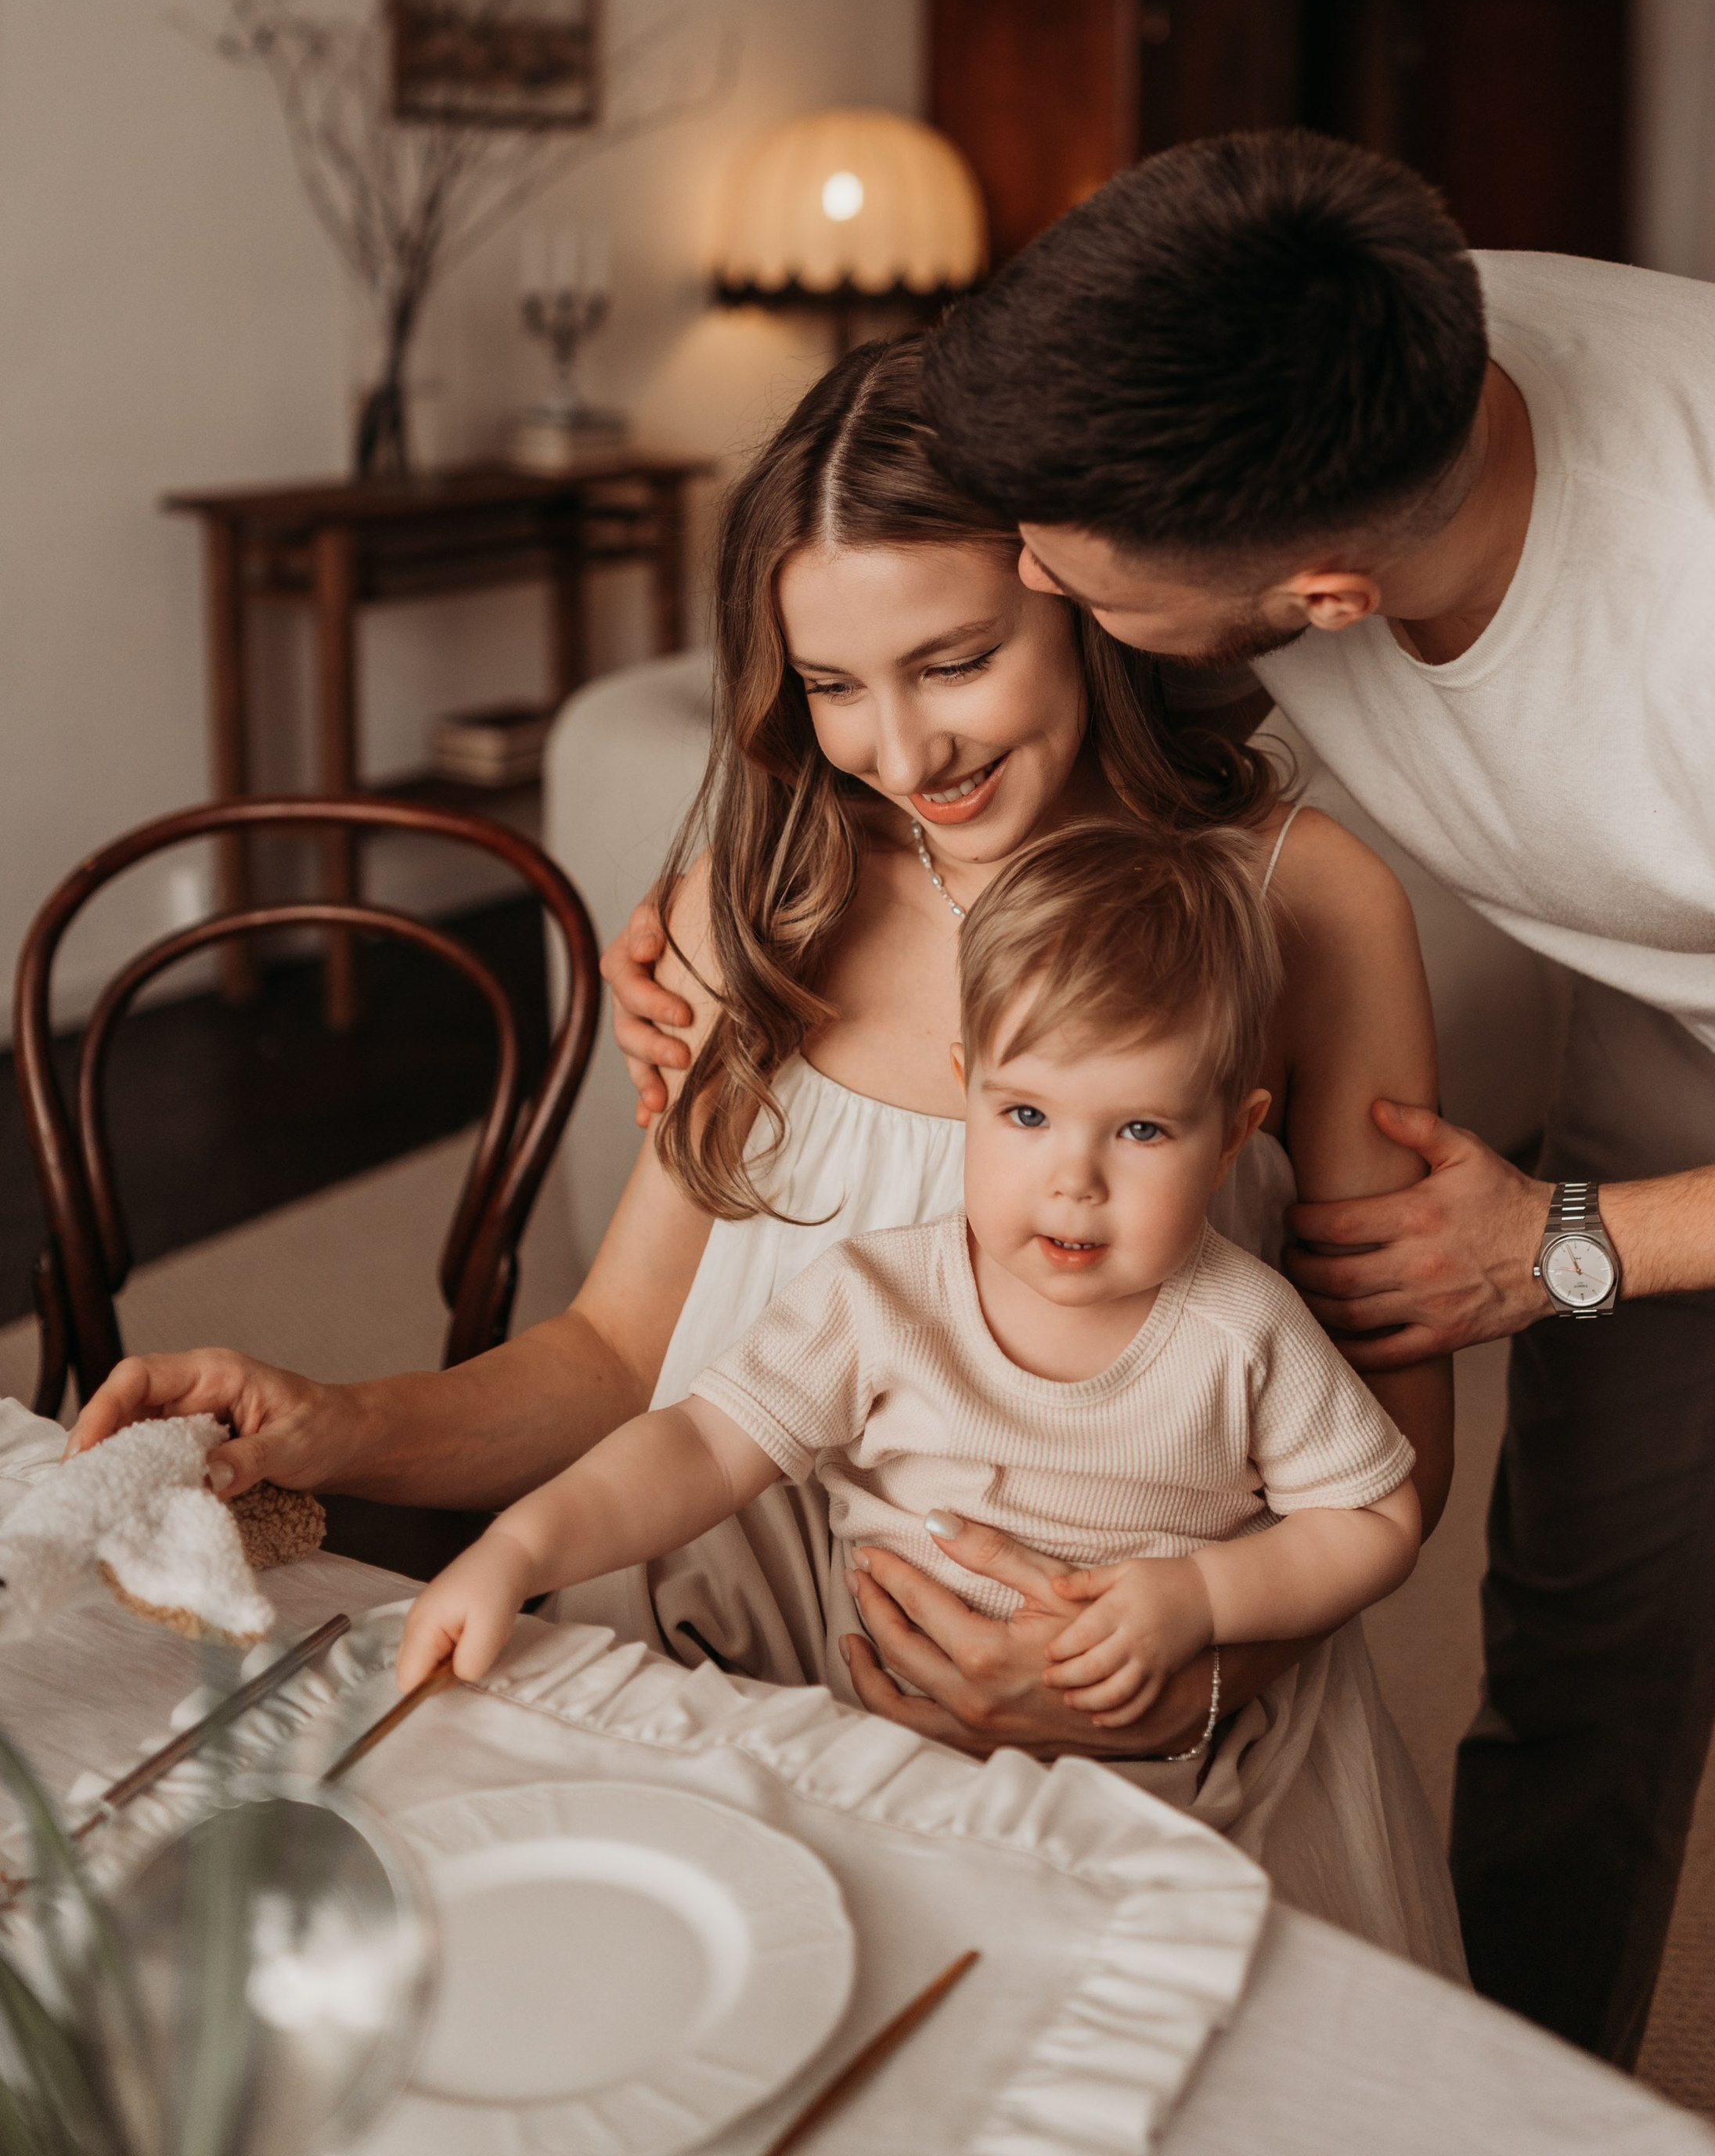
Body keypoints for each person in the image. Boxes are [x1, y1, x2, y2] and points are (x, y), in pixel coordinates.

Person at [874, 124, 1715, 2156]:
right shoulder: (1320, 359)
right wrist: (728, 917)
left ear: (1324, 598)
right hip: (1694, 997)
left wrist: (1564, 1246)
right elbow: (927, 677)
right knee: (1576, 1662)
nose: (1034, 579)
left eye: (1080, 560)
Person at [76, 334, 1461, 1967]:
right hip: (752, 1670)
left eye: (952, 661)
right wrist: (341, 1423)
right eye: (830, 685)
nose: (900, 751)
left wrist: (1179, 1669)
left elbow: (1393, 1453)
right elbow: (617, 1356)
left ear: (1079, 598)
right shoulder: (762, 907)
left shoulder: (1301, 901)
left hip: (1159, 1724)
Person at [400, 822, 1425, 1891]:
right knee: (690, 1586)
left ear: (1233, 1136)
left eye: (1141, 1132)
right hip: (856, 1713)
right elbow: (701, 1444)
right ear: (965, 1085)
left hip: (1123, 1771)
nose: (1074, 1180)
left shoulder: (1244, 1330)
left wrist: (1204, 1600)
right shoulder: (882, 1295)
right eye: (1027, 1113)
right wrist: (517, 1550)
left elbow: (1376, 1518)